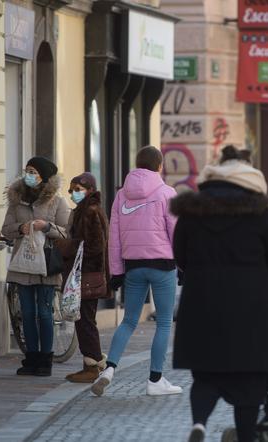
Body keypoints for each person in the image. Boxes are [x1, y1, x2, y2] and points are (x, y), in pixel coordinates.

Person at [171, 145, 268, 442]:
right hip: (250, 307)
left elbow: (180, 255)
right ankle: (246, 436)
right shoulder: (260, 211)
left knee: (206, 374)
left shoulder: (194, 209)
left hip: (202, 303)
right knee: (249, 380)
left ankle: (199, 423)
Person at [92, 146, 182, 396]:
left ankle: (109, 369)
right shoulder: (167, 193)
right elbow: (176, 232)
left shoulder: (122, 195)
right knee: (164, 322)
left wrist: (117, 271)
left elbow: (115, 237)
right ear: (159, 166)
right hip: (162, 264)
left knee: (129, 320)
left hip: (133, 265)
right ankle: (155, 381)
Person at [2, 156, 70, 376]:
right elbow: (6, 229)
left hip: (47, 265)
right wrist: (21, 227)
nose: (29, 175)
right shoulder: (17, 200)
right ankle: (31, 358)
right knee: (27, 313)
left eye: (33, 172)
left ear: (44, 177)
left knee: (44, 312)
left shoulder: (57, 202)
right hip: (23, 265)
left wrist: (46, 226)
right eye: (27, 171)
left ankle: (45, 360)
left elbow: (66, 232)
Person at [59, 172, 111, 383]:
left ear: (89, 190)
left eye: (78, 190)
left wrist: (65, 247)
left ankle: (93, 365)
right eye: (71, 190)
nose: (73, 194)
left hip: (88, 275)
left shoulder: (89, 212)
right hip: (85, 274)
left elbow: (95, 246)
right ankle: (92, 362)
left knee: (85, 321)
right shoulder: (85, 210)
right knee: (84, 320)